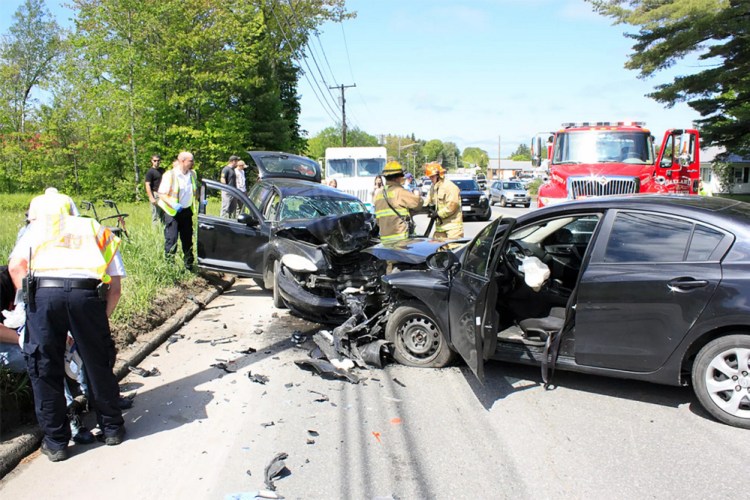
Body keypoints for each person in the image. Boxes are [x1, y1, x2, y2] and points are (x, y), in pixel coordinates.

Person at [8, 190, 126, 462]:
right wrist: (99, 321)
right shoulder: (93, 227)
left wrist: (31, 306)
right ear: (72, 209)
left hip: (44, 295)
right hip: (86, 295)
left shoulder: (36, 229)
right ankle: (112, 429)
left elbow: (16, 268)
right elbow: (115, 286)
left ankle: (56, 442)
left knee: (45, 366)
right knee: (97, 361)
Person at [158, 152, 198, 269]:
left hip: (186, 211)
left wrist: (200, 200)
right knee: (172, 240)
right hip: (173, 212)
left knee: (187, 240)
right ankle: (169, 267)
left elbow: (195, 190)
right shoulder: (170, 175)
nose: (193, 163)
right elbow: (161, 194)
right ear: (182, 161)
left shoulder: (192, 174)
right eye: (190, 161)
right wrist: (173, 204)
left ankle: (189, 266)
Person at [373, 161, 423, 242]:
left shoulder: (379, 195)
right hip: (400, 241)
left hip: (384, 241)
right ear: (397, 178)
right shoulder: (400, 192)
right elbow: (418, 203)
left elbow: (378, 221)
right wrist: (418, 196)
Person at [424, 162, 463, 240]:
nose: (430, 179)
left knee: (453, 249)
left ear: (439, 175)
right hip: (440, 228)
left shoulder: (450, 187)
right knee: (436, 249)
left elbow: (452, 206)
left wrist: (438, 214)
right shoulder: (434, 187)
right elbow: (428, 200)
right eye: (429, 177)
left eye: (432, 176)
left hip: (452, 228)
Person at [144, 154, 165, 225]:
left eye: (158, 161)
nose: (157, 162)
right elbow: (147, 185)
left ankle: (164, 231)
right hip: (155, 194)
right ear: (152, 161)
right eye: (155, 160)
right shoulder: (150, 172)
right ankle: (155, 233)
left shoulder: (162, 170)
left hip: (163, 195)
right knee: (155, 215)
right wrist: (151, 197)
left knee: (164, 215)